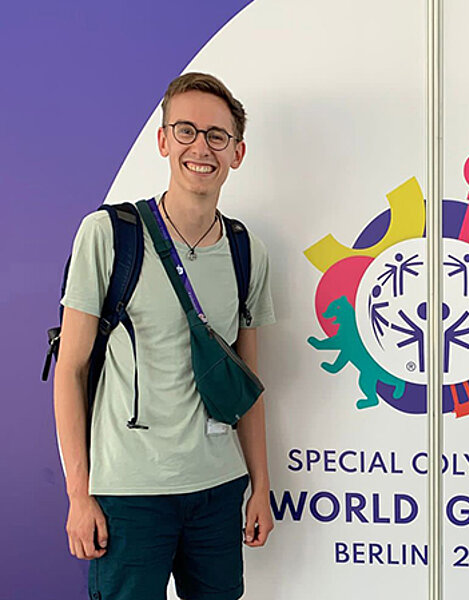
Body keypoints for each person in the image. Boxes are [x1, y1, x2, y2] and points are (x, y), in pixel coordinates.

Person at [54, 72, 275, 600]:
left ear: (237, 152)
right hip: (129, 495)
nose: (201, 147)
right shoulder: (109, 234)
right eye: (186, 130)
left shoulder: (248, 251)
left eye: (217, 136)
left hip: (219, 491)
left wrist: (260, 485)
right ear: (162, 140)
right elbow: (70, 369)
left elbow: (249, 383)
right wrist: (79, 495)